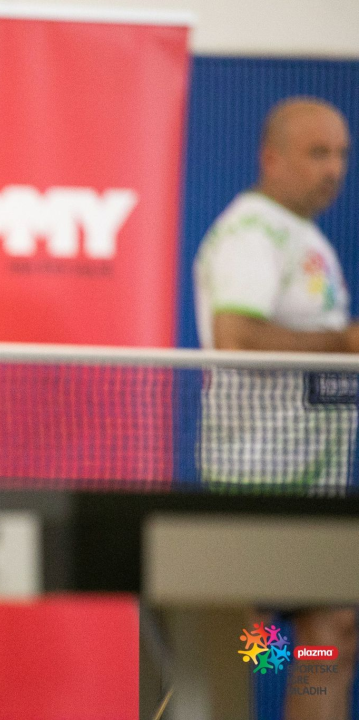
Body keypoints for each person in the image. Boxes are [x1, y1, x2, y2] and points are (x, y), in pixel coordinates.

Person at [194, 97, 355, 720]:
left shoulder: (309, 239)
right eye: (318, 153)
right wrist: (343, 343)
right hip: (253, 487)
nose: (334, 169)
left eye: (342, 154)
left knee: (331, 634)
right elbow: (234, 336)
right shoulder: (250, 232)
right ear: (272, 157)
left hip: (315, 490)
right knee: (250, 646)